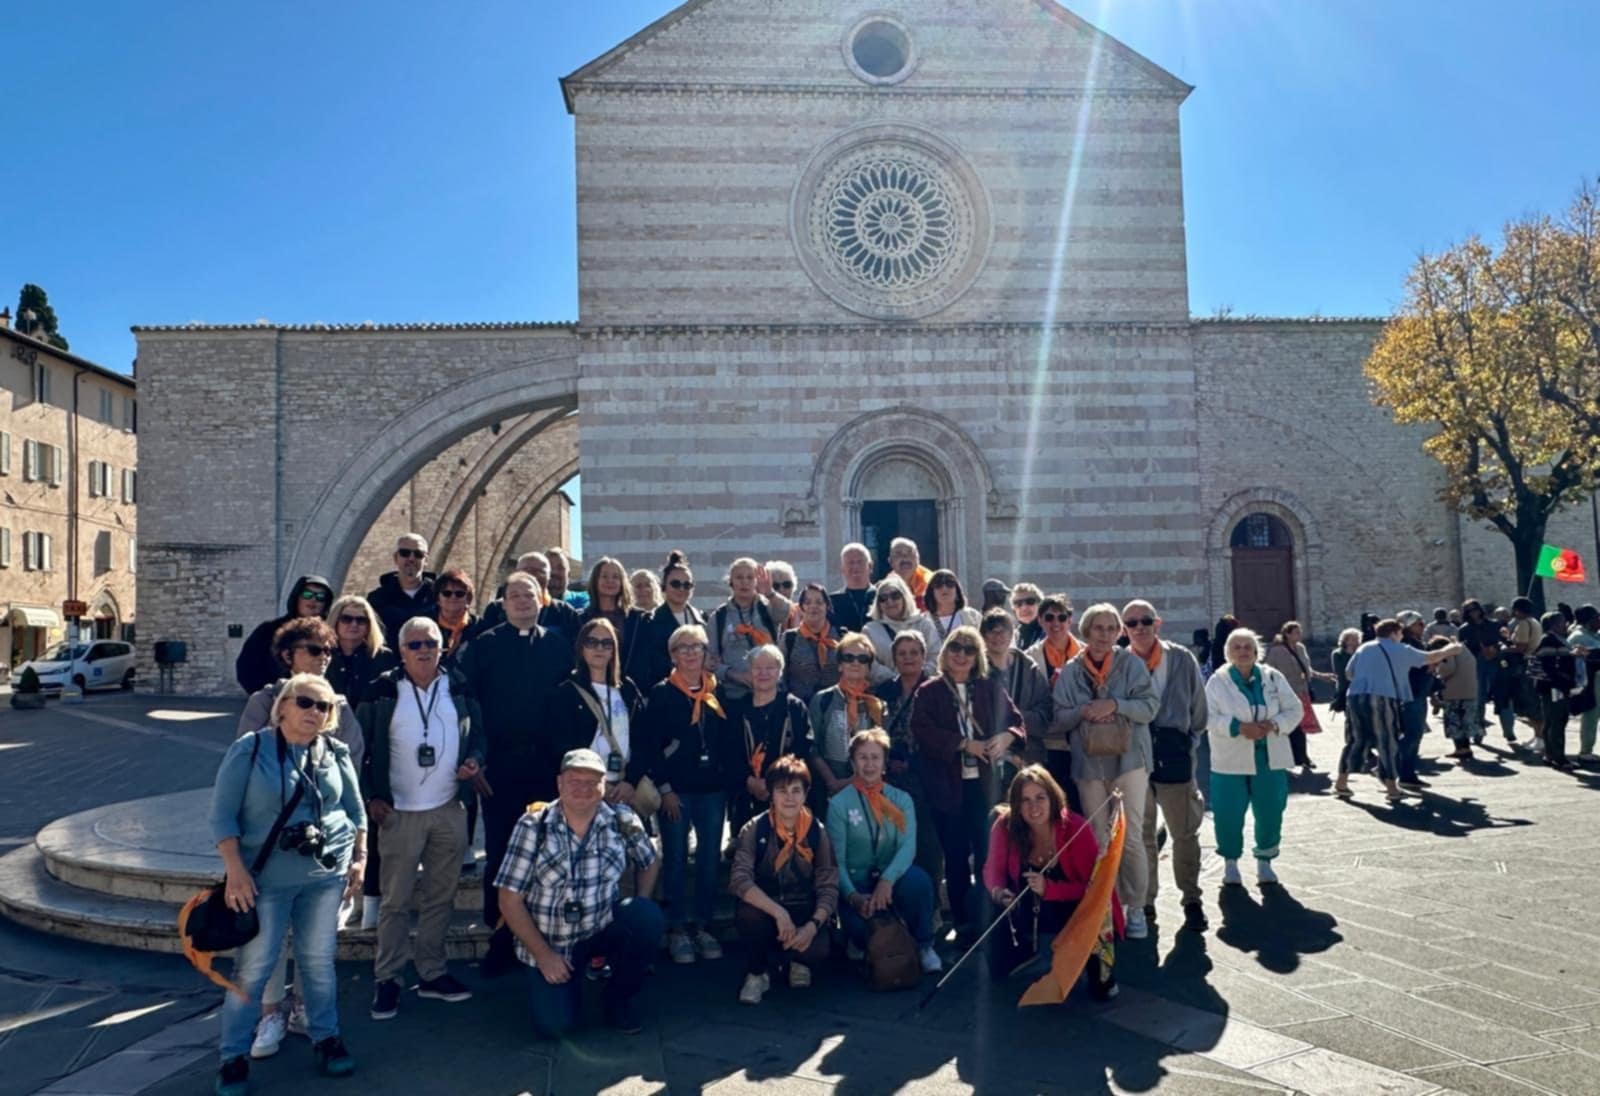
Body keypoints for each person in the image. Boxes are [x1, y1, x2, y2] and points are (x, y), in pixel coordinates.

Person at [210, 674, 365, 1094]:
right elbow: (222, 815)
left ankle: (326, 1037)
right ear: (281, 706)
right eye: (306, 702)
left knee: (318, 962)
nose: (315, 712)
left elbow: (355, 809)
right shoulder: (250, 749)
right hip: (265, 882)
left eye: (324, 707)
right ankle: (233, 1057)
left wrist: (360, 857)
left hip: (324, 878)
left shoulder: (335, 752)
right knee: (254, 969)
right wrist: (234, 869)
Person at [359, 617, 485, 1020]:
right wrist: (371, 796)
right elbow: (358, 747)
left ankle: (432, 971)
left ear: (441, 647)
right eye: (414, 645)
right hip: (399, 813)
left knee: (440, 897)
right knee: (395, 902)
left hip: (448, 808)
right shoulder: (382, 690)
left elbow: (478, 735)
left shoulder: (459, 685)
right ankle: (388, 978)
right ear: (402, 651)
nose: (424, 650)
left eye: (430, 643)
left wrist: (474, 761)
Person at [494, 748, 663, 1037]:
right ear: (559, 783)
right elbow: (509, 899)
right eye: (575, 781)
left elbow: (649, 861)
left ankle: (618, 997)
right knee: (555, 1027)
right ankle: (560, 983)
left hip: (601, 928)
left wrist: (641, 898)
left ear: (603, 786)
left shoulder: (621, 819)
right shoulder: (533, 826)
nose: (583, 788)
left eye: (592, 782)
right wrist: (544, 955)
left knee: (646, 917)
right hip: (553, 943)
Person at [455, 572, 573, 976]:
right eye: (515, 595)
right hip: (500, 768)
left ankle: (546, 934)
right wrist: (477, 758)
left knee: (548, 852)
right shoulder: (483, 647)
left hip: (547, 767)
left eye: (529, 595)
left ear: (542, 601)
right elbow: (467, 705)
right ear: (503, 603)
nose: (523, 601)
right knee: (502, 854)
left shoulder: (559, 646)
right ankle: (501, 937)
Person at [1050, 603, 1159, 939]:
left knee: (1131, 836)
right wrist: (1084, 711)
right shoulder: (1071, 670)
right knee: (1098, 838)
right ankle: (1106, 907)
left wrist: (1115, 705)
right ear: (1086, 631)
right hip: (1089, 763)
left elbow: (1150, 706)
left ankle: (1136, 907)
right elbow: (1059, 717)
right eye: (1098, 628)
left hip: (1130, 760)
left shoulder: (1131, 664)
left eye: (1112, 628)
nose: (1105, 635)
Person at [913, 626, 1023, 941]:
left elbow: (1017, 723)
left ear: (978, 657)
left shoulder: (989, 688)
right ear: (945, 652)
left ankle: (989, 918)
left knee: (989, 853)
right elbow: (923, 731)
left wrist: (1006, 737)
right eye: (955, 648)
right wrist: (963, 744)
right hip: (948, 788)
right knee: (956, 857)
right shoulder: (929, 690)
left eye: (969, 649)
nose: (961, 655)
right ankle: (963, 923)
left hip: (984, 787)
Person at [974, 765, 1118, 997]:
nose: (1034, 807)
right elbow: (992, 871)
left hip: (1071, 906)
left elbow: (1095, 889)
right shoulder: (1004, 825)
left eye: (1040, 798)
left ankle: (1098, 971)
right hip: (1025, 906)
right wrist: (999, 893)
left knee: (1101, 989)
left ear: (1053, 798)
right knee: (977, 898)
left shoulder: (1075, 827)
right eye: (1025, 800)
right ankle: (1016, 955)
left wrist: (1050, 889)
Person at [638, 623, 733, 964]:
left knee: (709, 859)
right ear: (673, 655)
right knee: (676, 857)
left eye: (697, 647)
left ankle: (703, 925)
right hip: (675, 792)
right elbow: (650, 745)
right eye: (683, 648)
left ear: (707, 654)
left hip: (712, 791)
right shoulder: (662, 693)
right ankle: (677, 926)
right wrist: (664, 789)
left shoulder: (717, 691)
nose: (691, 653)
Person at [1122, 600, 1208, 934]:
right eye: (1132, 623)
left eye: (1145, 621)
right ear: (1125, 628)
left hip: (1174, 755)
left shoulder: (1181, 658)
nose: (1139, 628)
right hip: (1136, 759)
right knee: (1142, 833)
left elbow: (1198, 708)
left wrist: (1189, 745)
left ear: (1157, 623)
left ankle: (1191, 898)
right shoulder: (1121, 662)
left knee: (1184, 831)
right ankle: (1146, 901)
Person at [825, 729, 941, 973]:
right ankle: (861, 942)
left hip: (892, 880)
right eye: (862, 757)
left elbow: (907, 847)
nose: (869, 764)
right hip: (857, 885)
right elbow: (837, 861)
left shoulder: (901, 800)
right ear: (852, 762)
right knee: (859, 927)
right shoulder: (838, 805)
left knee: (919, 883)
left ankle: (923, 945)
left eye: (875, 757)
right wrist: (853, 897)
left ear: (884, 762)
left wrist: (887, 881)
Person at [730, 755, 839, 1004]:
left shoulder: (817, 832)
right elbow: (739, 879)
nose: (789, 798)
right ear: (771, 794)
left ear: (805, 794)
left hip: (803, 909)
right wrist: (778, 913)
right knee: (749, 917)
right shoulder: (754, 829)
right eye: (782, 790)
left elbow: (829, 885)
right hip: (767, 908)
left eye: (796, 791)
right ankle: (757, 973)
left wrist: (812, 925)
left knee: (818, 949)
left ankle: (798, 961)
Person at [1203, 629, 1301, 886]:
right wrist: (1237, 727)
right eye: (1236, 647)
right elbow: (1207, 717)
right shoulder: (1217, 681)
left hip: (1270, 758)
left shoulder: (1273, 677)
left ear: (1257, 652)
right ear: (1228, 653)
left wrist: (1274, 724)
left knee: (1271, 810)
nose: (1243, 651)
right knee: (1228, 812)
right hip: (1229, 760)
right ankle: (1230, 863)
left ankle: (1265, 861)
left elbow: (1295, 709)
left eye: (1248, 647)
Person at [1335, 619, 1464, 802]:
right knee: (1387, 740)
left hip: (1355, 697)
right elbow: (1430, 657)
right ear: (1394, 633)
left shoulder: (1364, 648)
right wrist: (1452, 648)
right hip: (1382, 698)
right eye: (1400, 633)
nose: (1402, 636)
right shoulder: (1399, 648)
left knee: (1356, 740)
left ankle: (1341, 783)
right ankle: (1392, 788)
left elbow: (1349, 673)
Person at [872, 631, 942, 881]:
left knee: (927, 841)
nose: (908, 658)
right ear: (893, 659)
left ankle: (931, 896)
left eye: (914, 652)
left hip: (927, 777)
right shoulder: (883, 691)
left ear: (924, 656)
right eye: (902, 653)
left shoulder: (937, 690)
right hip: (888, 777)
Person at [725, 644, 813, 837]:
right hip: (746, 798)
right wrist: (749, 781)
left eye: (770, 667)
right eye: (757, 668)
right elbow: (728, 753)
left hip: (786, 795)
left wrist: (775, 783)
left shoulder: (794, 707)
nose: (763, 673)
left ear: (780, 672)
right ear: (750, 671)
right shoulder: (737, 710)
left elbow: (804, 748)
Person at [808, 632, 886, 796]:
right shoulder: (822, 699)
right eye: (848, 658)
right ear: (840, 665)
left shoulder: (876, 704)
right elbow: (812, 747)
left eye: (862, 659)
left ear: (869, 667)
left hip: (868, 787)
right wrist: (832, 782)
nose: (855, 663)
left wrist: (858, 779)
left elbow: (882, 749)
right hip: (828, 788)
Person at [236, 575, 334, 695]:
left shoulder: (330, 636)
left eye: (320, 597)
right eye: (307, 594)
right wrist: (270, 697)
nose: (313, 600)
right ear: (296, 597)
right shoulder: (268, 631)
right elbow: (246, 668)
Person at [708, 557, 788, 702]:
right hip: (734, 695)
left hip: (771, 693)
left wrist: (770, 593)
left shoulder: (766, 608)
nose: (744, 582)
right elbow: (711, 663)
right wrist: (735, 675)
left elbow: (785, 612)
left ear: (757, 581)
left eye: (750, 577)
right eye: (739, 577)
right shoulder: (719, 617)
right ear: (731, 582)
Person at [981, 609, 1052, 766]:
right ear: (983, 636)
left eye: (1003, 631)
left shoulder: (1029, 670)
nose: (998, 636)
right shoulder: (974, 671)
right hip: (987, 756)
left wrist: (1014, 728)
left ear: (1012, 633)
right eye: (992, 632)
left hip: (1028, 755)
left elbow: (1045, 714)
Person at [1264, 621, 1335, 772]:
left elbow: (1307, 669)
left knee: (1300, 726)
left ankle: (1302, 757)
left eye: (1300, 631)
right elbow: (1267, 671)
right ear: (1287, 634)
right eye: (1296, 632)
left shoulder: (1301, 648)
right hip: (1284, 694)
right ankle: (1292, 757)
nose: (1300, 635)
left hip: (1301, 693)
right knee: (1290, 727)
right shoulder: (1276, 651)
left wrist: (1322, 676)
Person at [632, 550, 707, 688]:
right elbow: (643, 666)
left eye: (687, 585)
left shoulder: (702, 619)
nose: (681, 589)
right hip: (665, 691)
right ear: (664, 586)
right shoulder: (648, 621)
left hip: (701, 690)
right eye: (675, 584)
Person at [479, 552, 582, 640]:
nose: (534, 576)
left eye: (540, 571)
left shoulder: (565, 612)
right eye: (528, 570)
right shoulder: (496, 609)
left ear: (549, 577)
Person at [862, 572, 939, 683]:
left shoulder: (924, 624)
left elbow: (936, 655)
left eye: (895, 596)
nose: (889, 601)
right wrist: (897, 680)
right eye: (883, 598)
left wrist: (919, 677)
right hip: (888, 688)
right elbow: (869, 663)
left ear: (905, 598)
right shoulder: (869, 630)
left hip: (924, 687)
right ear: (878, 603)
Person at [1531, 611, 1582, 771]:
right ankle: (1559, 758)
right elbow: (1549, 665)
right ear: (1553, 625)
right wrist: (1564, 680)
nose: (1565, 624)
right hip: (1554, 687)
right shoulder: (1548, 640)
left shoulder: (1559, 639)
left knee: (1552, 720)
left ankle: (1550, 754)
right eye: (1561, 622)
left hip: (1555, 686)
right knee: (1557, 721)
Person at [325, 594, 397, 706]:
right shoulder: (320, 654)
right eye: (346, 619)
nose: (354, 624)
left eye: (361, 620)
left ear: (369, 625)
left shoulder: (383, 657)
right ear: (335, 621)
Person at [366, 534, 437, 645]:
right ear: (396, 558)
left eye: (418, 554)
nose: (411, 558)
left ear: (426, 560)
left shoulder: (440, 595)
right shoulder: (377, 598)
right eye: (405, 553)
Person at [1394, 611, 1437, 790]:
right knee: (1412, 735)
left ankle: (1400, 770)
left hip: (1415, 692)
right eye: (1419, 623)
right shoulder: (1409, 644)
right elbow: (1418, 668)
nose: (1423, 626)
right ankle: (1402, 772)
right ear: (1410, 626)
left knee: (1412, 735)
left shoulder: (1412, 642)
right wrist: (1431, 666)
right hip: (1413, 693)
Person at [781, 583, 842, 703]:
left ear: (827, 606)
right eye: (807, 602)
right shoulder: (789, 638)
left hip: (835, 705)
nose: (813, 606)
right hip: (800, 706)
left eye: (819, 602)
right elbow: (780, 677)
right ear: (801, 607)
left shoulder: (841, 636)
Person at [1457, 599, 1502, 737]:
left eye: (1475, 609)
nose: (1473, 613)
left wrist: (1495, 649)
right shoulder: (1464, 629)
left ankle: (1508, 728)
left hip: (1495, 662)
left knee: (1501, 694)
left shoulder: (1493, 625)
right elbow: (1462, 649)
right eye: (1469, 611)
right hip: (1476, 663)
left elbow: (1502, 641)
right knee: (1479, 697)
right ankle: (1478, 728)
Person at [1430, 635, 1480, 760]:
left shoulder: (1449, 651)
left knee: (1454, 722)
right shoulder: (1463, 649)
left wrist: (1438, 675)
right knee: (1466, 722)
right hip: (1470, 690)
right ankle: (1466, 748)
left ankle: (1460, 749)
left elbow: (1449, 668)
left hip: (1454, 691)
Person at [431, 568, 481, 670]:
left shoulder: (480, 627)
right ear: (438, 599)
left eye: (459, 594)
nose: (453, 597)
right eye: (447, 593)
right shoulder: (425, 625)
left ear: (468, 599)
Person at [1570, 605, 1600, 763]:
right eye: (1596, 618)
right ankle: (1585, 750)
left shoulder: (1594, 635)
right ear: (1588, 620)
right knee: (1591, 715)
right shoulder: (1578, 637)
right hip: (1592, 682)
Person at [924, 570, 982, 649]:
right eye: (938, 585)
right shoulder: (922, 621)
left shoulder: (973, 617)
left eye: (950, 584)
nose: (944, 588)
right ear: (931, 592)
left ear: (957, 590)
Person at [829, 542, 877, 633]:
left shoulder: (883, 597)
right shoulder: (832, 602)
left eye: (860, 562)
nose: (855, 566)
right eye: (850, 562)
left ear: (870, 566)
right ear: (842, 569)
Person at [886, 538, 934, 610]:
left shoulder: (933, 582)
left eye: (910, 553)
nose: (905, 557)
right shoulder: (885, 587)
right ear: (890, 561)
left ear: (918, 559)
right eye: (898, 554)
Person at [1010, 582, 1045, 649]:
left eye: (1030, 601)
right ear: (1014, 610)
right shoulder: (1011, 639)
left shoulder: (1051, 633)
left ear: (1040, 605)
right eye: (1018, 603)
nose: (1024, 608)